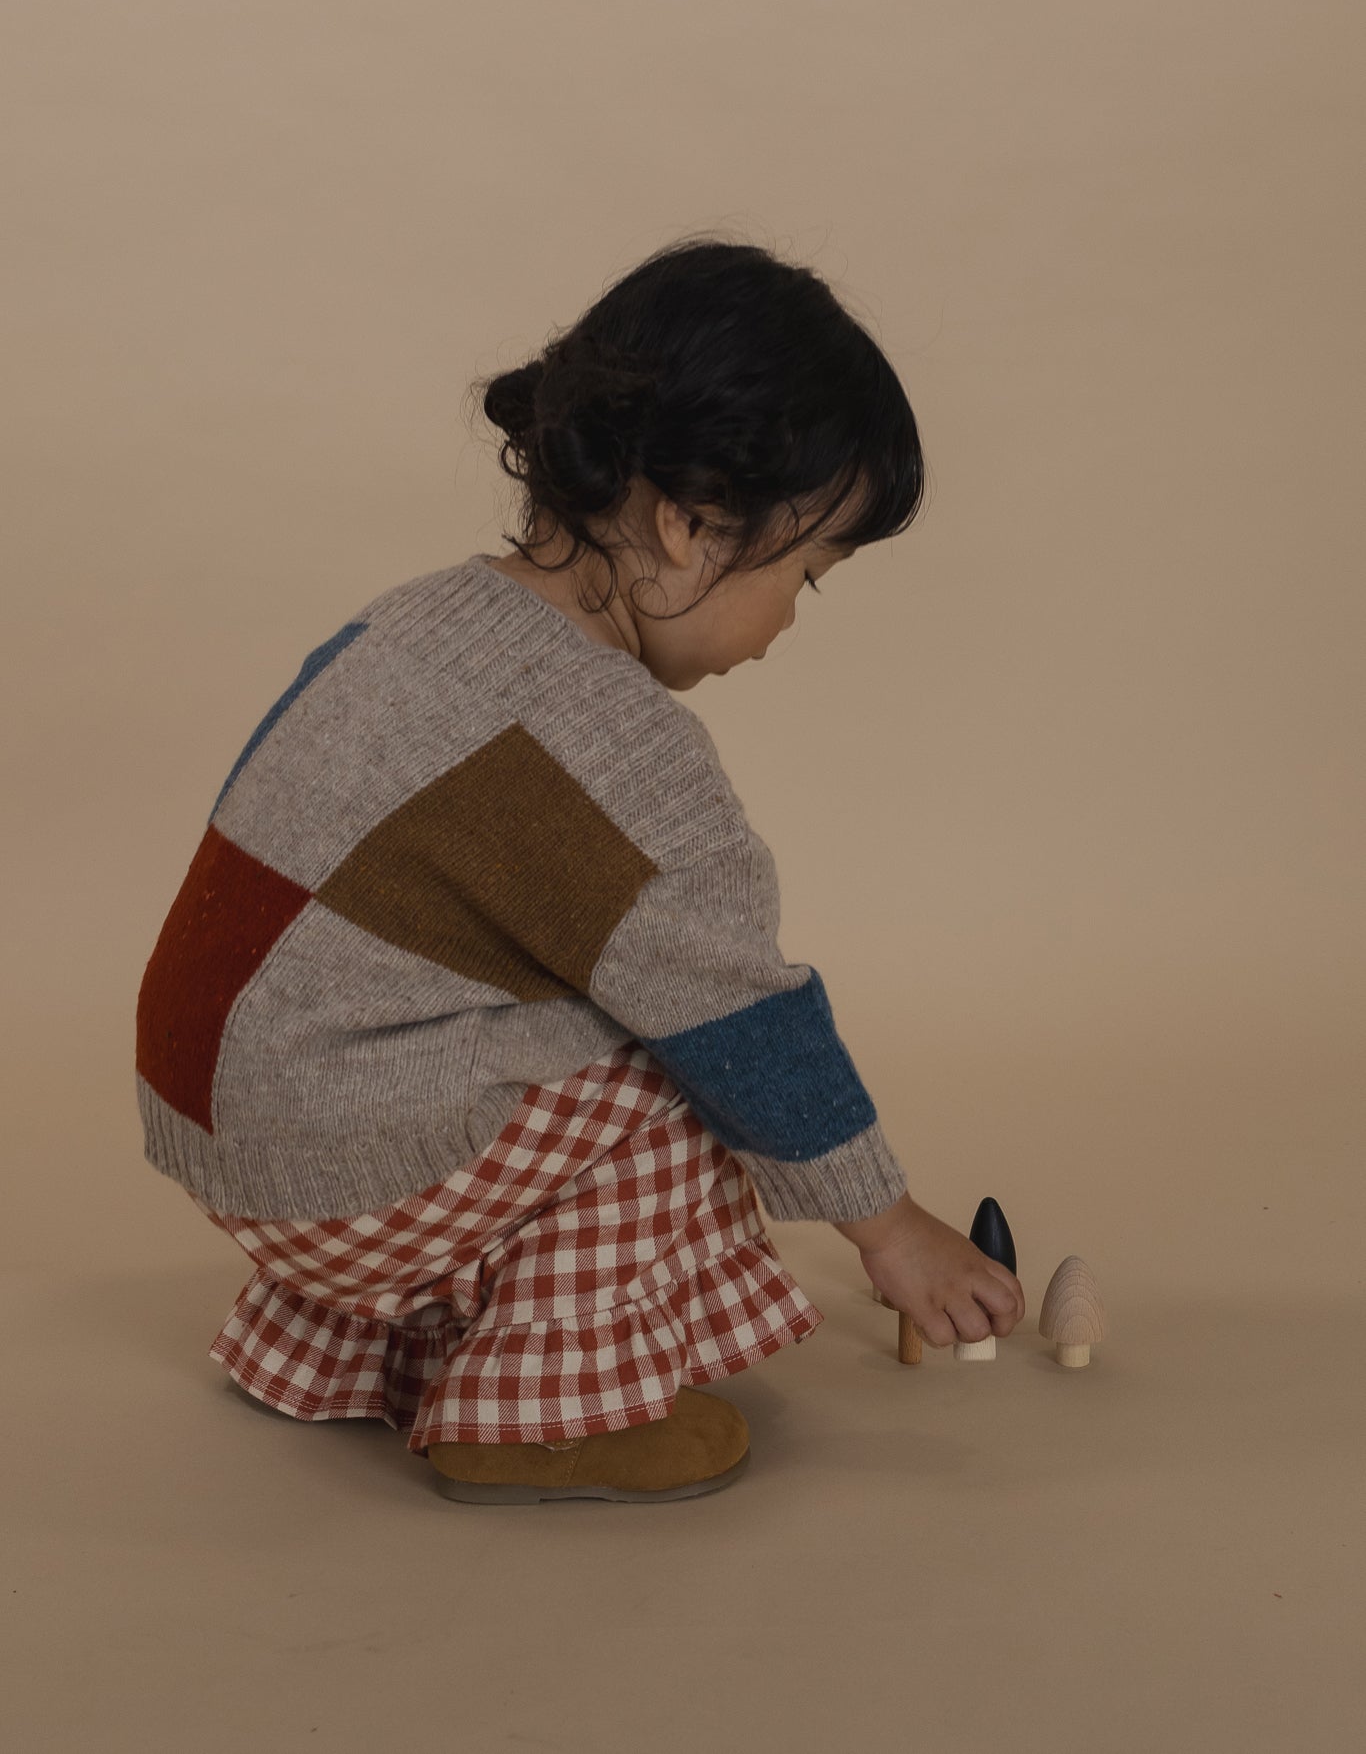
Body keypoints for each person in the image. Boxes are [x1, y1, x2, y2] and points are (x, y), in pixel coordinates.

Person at [135, 233, 1025, 1506]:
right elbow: (746, 1021)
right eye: (803, 578)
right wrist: (889, 1227)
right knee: (676, 1072)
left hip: (219, 1118)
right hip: (334, 1165)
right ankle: (539, 1421)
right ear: (687, 524)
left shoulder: (420, 616)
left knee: (538, 1014)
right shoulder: (628, 759)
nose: (784, 629)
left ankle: (340, 1344)